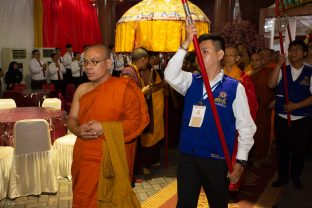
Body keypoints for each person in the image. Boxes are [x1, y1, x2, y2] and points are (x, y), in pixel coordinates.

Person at [164, 20, 256, 208]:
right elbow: (170, 75)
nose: (199, 55)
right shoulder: (190, 81)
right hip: (187, 156)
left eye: (204, 51)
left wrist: (241, 161)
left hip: (216, 158)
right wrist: (185, 44)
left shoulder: (233, 88)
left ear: (219, 54)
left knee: (218, 203)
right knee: (185, 203)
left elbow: (246, 127)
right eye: (197, 51)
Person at [67, 44, 149, 207]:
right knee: (84, 199)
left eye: (94, 62)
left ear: (109, 63)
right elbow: (71, 119)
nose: (88, 67)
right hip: (84, 158)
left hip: (110, 160)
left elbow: (137, 122)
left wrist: (105, 128)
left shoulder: (124, 88)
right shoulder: (82, 89)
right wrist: (77, 130)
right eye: (85, 62)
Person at [268, 40, 312, 189]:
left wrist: (295, 106)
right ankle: (282, 177)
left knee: (299, 150)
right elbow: (271, 85)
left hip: (301, 119)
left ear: (305, 53)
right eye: (291, 49)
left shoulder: (310, 71)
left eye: (298, 49)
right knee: (282, 149)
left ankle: (295, 176)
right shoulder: (282, 70)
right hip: (282, 117)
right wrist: (279, 65)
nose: (294, 52)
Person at [246, 53, 275, 163]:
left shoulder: (269, 72)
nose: (254, 62)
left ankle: (259, 156)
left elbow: (277, 86)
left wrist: (275, 100)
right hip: (249, 107)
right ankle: (249, 156)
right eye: (252, 60)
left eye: (257, 60)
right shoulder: (247, 73)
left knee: (261, 132)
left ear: (263, 61)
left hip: (264, 106)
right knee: (249, 131)